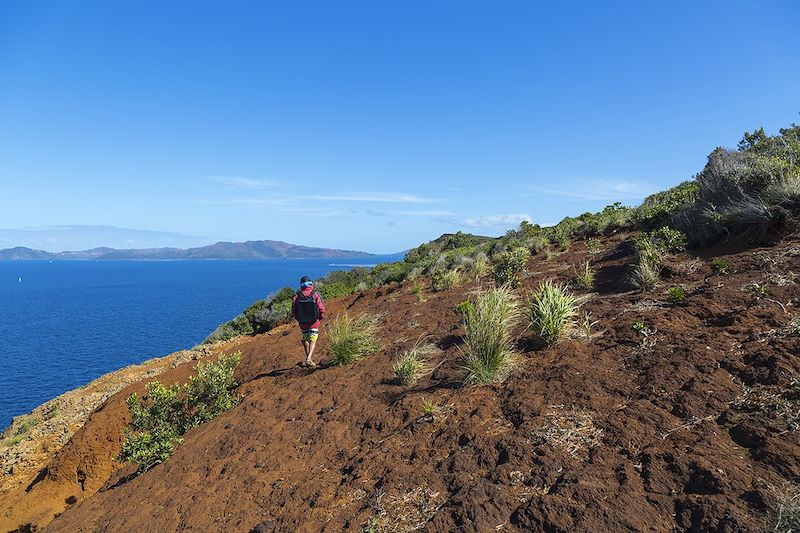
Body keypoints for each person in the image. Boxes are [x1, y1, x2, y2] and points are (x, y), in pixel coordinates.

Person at [291, 276, 325, 367]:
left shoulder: (297, 295)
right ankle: (309, 358)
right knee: (313, 339)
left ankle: (308, 358)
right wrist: (319, 318)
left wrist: (299, 320)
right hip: (314, 322)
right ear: (310, 284)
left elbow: (293, 311)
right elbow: (321, 309)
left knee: (305, 339)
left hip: (303, 323)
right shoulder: (315, 294)